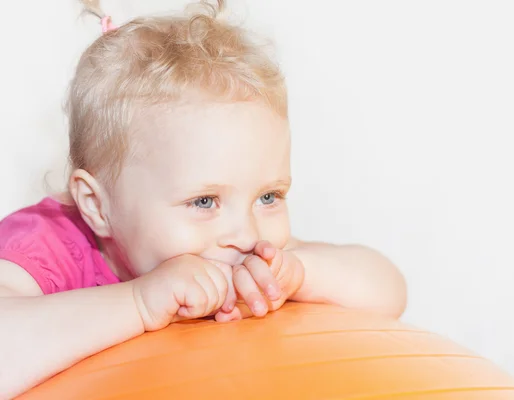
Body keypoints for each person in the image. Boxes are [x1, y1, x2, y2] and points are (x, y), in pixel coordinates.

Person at [0, 0, 407, 397]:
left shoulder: (248, 250)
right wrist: (140, 303)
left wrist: (303, 273)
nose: (246, 233)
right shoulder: (47, 247)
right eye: (204, 202)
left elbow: (389, 293)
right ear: (97, 205)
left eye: (268, 196)